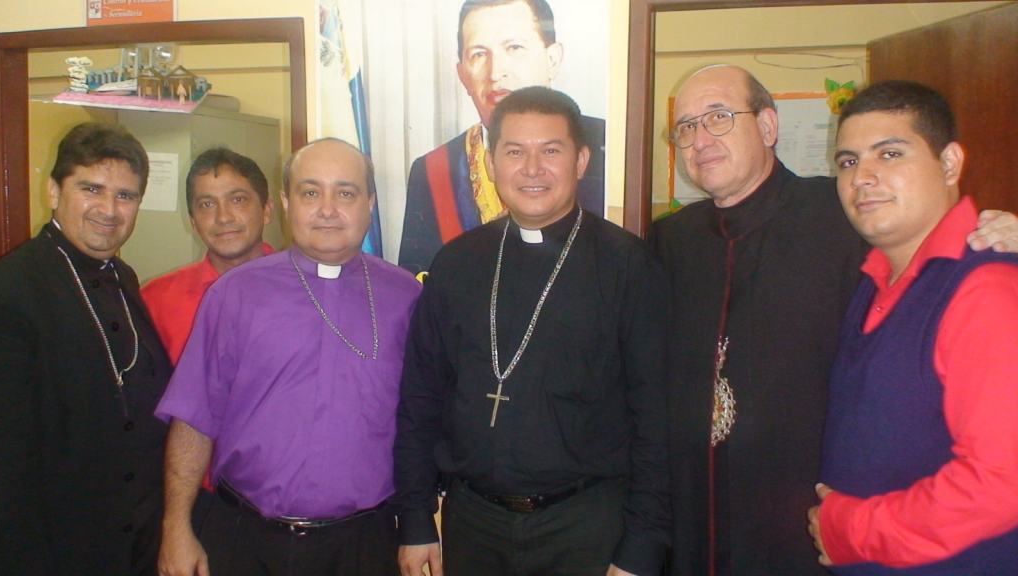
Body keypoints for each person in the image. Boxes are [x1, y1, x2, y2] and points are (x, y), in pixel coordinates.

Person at [648, 65, 1018, 575]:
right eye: (685, 127)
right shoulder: (671, 239)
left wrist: (1003, 231)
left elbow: (938, 237)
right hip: (700, 514)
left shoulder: (845, 212)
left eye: (718, 116)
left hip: (810, 523)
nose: (700, 138)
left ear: (769, 127)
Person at [394, 86, 670, 576]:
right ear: (492, 162)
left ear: (581, 160)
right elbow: (422, 396)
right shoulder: (457, 263)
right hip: (472, 523)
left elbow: (658, 417)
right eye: (515, 151)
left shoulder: (630, 265)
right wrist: (416, 517)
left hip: (586, 525)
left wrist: (642, 546)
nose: (532, 168)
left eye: (551, 150)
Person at [155, 138, 421, 576]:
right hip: (247, 538)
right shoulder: (235, 294)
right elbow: (194, 418)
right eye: (311, 192)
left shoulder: (406, 295)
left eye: (346, 193)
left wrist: (418, 524)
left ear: (369, 204)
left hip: (364, 543)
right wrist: (176, 528)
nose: (328, 209)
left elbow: (421, 421)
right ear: (284, 203)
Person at [808, 80, 1018, 574]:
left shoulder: (985, 290)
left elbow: (1000, 482)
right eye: (848, 161)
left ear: (948, 164)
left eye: (890, 154)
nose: (863, 177)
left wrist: (850, 529)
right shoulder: (877, 279)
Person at [0, 122, 172, 574]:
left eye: (126, 196)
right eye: (91, 188)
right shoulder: (10, 289)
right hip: (58, 550)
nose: (109, 210)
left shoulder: (125, 278)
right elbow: (7, 462)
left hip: (139, 544)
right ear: (54, 191)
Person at [398, 0, 606, 275]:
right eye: (479, 54)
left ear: (552, 59)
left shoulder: (610, 148)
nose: (496, 73)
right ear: (462, 74)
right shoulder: (434, 169)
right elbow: (420, 285)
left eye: (514, 48)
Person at [142, 147, 275, 365]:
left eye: (238, 199)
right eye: (207, 204)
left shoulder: (306, 291)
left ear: (267, 211)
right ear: (193, 223)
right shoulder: (155, 301)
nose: (223, 217)